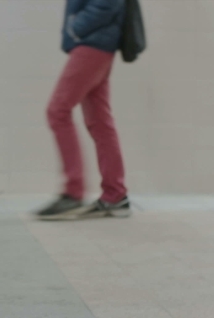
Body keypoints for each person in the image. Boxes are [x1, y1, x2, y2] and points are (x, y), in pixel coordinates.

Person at [35, 0, 130, 220]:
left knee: (57, 111)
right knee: (100, 122)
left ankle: (73, 193)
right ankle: (115, 195)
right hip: (97, 42)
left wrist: (75, 26)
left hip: (93, 43)